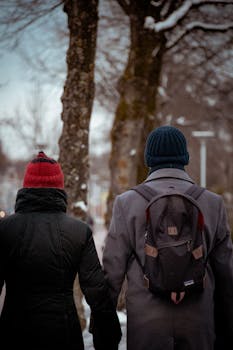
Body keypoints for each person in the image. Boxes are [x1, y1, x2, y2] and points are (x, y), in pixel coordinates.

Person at [103, 125, 233, 350]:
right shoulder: (213, 203)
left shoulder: (126, 203)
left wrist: (104, 330)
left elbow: (112, 271)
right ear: (185, 157)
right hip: (198, 322)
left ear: (148, 159)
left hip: (146, 324)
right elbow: (226, 274)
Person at [0, 151, 121, 350]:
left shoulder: (5, 230)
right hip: (63, 332)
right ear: (59, 187)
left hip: (13, 332)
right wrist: (107, 338)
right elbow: (97, 292)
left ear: (26, 186)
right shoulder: (79, 231)